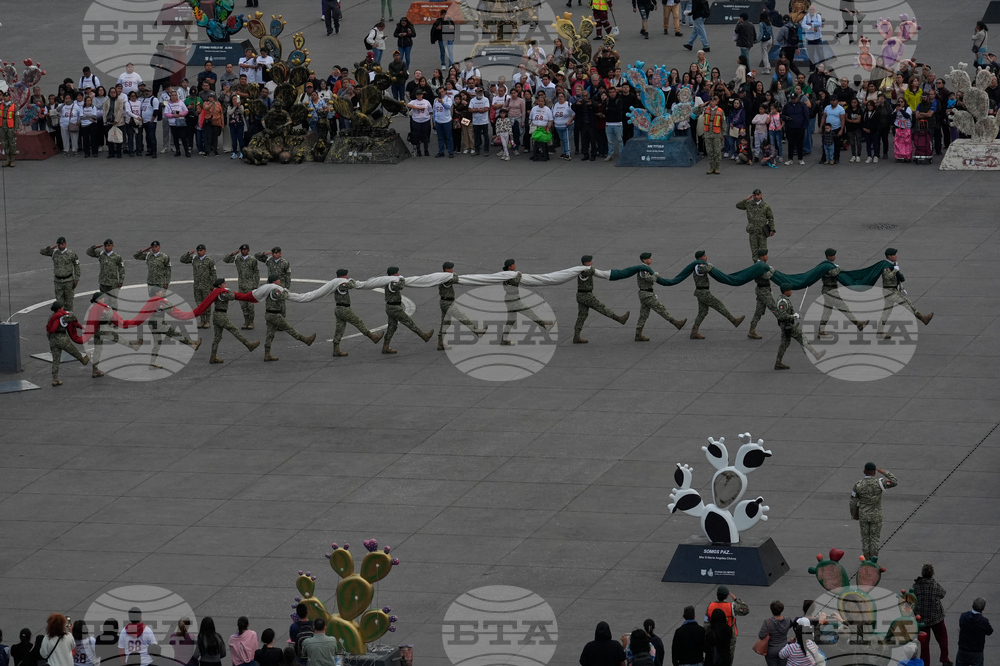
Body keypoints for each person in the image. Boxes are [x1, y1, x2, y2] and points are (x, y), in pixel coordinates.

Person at [573, 255, 630, 344]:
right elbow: (592, 271)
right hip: (586, 295)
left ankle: (576, 336)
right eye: (590, 261)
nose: (592, 262)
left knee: (582, 315)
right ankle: (619, 319)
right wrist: (590, 267)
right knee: (602, 308)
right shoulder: (584, 271)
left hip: (581, 295)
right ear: (585, 263)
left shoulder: (582, 270)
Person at [878, 248, 933, 339]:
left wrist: (901, 287)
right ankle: (923, 318)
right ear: (889, 256)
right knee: (907, 302)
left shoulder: (892, 264)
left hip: (891, 290)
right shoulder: (886, 266)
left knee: (886, 312)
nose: (896, 256)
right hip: (890, 291)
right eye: (894, 255)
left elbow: (897, 278)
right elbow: (888, 277)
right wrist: (895, 270)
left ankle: (880, 331)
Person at [850, 461, 898, 559]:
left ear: (864, 471)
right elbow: (894, 482)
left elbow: (853, 501)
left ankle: (866, 560)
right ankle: (874, 561)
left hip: (863, 515)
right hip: (876, 516)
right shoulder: (879, 483)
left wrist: (854, 514)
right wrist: (884, 472)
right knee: (875, 539)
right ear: (874, 472)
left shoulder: (858, 485)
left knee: (865, 539)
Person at [262, 275, 316, 362]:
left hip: (269, 314)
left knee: (270, 334)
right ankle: (306, 340)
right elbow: (284, 296)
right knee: (289, 328)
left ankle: (267, 354)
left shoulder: (268, 289)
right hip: (275, 315)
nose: (279, 280)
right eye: (278, 279)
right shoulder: (275, 290)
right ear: (274, 281)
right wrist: (285, 290)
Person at [381, 267, 434, 354]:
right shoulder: (391, 283)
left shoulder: (389, 281)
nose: (398, 274)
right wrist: (402, 279)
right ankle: (424, 336)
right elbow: (400, 286)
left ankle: (385, 347)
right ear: (393, 274)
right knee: (409, 322)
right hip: (395, 308)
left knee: (392, 327)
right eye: (396, 273)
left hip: (391, 307)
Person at [773, 283, 825, 369]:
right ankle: (816, 354)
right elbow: (782, 315)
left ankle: (778, 362)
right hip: (787, 325)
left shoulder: (783, 299)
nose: (791, 292)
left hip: (787, 324)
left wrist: (794, 315)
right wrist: (793, 316)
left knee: (784, 343)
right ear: (786, 291)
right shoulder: (782, 302)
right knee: (802, 337)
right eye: (790, 290)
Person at [912, 564, 950, 666]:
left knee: (924, 643)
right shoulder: (935, 585)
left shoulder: (916, 586)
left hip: (922, 618)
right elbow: (943, 594)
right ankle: (945, 659)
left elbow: (912, 598)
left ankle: (925, 663)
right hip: (936, 617)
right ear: (932, 573)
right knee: (942, 638)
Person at [705, 585, 749, 661]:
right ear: (727, 596)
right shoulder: (731, 607)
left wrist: (708, 634)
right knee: (728, 657)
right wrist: (736, 599)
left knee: (713, 656)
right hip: (728, 636)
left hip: (713, 636)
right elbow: (745, 610)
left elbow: (706, 622)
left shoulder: (710, 606)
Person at [40, 237, 81, 308]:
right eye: (59, 244)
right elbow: (42, 252)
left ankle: (70, 314)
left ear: (65, 244)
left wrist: (77, 278)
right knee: (59, 303)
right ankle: (61, 315)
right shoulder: (54, 253)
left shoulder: (71, 253)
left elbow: (77, 265)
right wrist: (49, 248)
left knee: (69, 302)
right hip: (58, 281)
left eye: (62, 244)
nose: (60, 246)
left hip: (68, 281)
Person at [736, 190, 775, 261]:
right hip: (753, 231)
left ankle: (763, 265)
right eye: (755, 195)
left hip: (762, 232)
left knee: (763, 250)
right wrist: (746, 199)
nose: (756, 196)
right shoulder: (749, 204)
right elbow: (738, 206)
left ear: (761, 195)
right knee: (754, 250)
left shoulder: (765, 205)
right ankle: (756, 264)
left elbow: (770, 218)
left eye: (758, 195)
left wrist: (772, 229)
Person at [956, 598, 992, 666]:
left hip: (963, 649)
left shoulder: (963, 616)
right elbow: (989, 631)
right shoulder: (983, 621)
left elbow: (961, 625)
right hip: (976, 651)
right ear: (983, 608)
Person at [758, 601, 793, 666]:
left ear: (771, 610)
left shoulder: (768, 622)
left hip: (771, 649)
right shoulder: (788, 620)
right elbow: (790, 626)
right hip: (784, 648)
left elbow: (761, 635)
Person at [702, 96, 727, 173]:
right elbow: (695, 111)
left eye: (713, 101)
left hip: (716, 133)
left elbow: (723, 122)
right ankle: (711, 167)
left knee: (717, 151)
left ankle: (717, 167)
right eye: (710, 101)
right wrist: (702, 105)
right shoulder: (706, 109)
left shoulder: (720, 111)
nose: (711, 103)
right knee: (709, 151)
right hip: (708, 132)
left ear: (716, 102)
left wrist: (723, 133)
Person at [407, 89, 432, 156]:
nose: (419, 96)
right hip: (416, 121)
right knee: (417, 136)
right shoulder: (414, 101)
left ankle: (426, 150)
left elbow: (430, 111)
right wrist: (417, 108)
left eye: (420, 95)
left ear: (422, 95)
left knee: (425, 136)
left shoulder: (426, 102)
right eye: (417, 95)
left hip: (425, 120)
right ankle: (418, 151)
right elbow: (408, 105)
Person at [0, 90, 20, 167]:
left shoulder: (14, 106)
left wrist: (16, 128)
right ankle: (7, 159)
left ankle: (12, 160)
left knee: (12, 143)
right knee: (5, 143)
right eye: (4, 96)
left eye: (7, 96)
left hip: (10, 127)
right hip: (2, 127)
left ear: (10, 97)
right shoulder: (1, 105)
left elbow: (17, 118)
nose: (5, 98)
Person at [433, 87, 455, 157]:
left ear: (445, 92)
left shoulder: (448, 99)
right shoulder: (435, 100)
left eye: (442, 92)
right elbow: (434, 111)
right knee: (440, 137)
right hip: (438, 121)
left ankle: (451, 152)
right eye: (439, 92)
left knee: (449, 137)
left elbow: (448, 107)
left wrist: (442, 102)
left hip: (446, 121)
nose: (441, 93)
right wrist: (434, 120)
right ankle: (441, 151)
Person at [801, 5, 824, 71]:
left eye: (813, 9)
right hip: (809, 39)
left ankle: (822, 67)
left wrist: (811, 24)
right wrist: (811, 28)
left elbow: (819, 23)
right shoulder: (806, 17)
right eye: (810, 9)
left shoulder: (817, 16)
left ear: (815, 10)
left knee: (820, 54)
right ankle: (812, 68)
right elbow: (803, 25)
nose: (811, 11)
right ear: (808, 10)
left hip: (817, 38)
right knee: (811, 55)